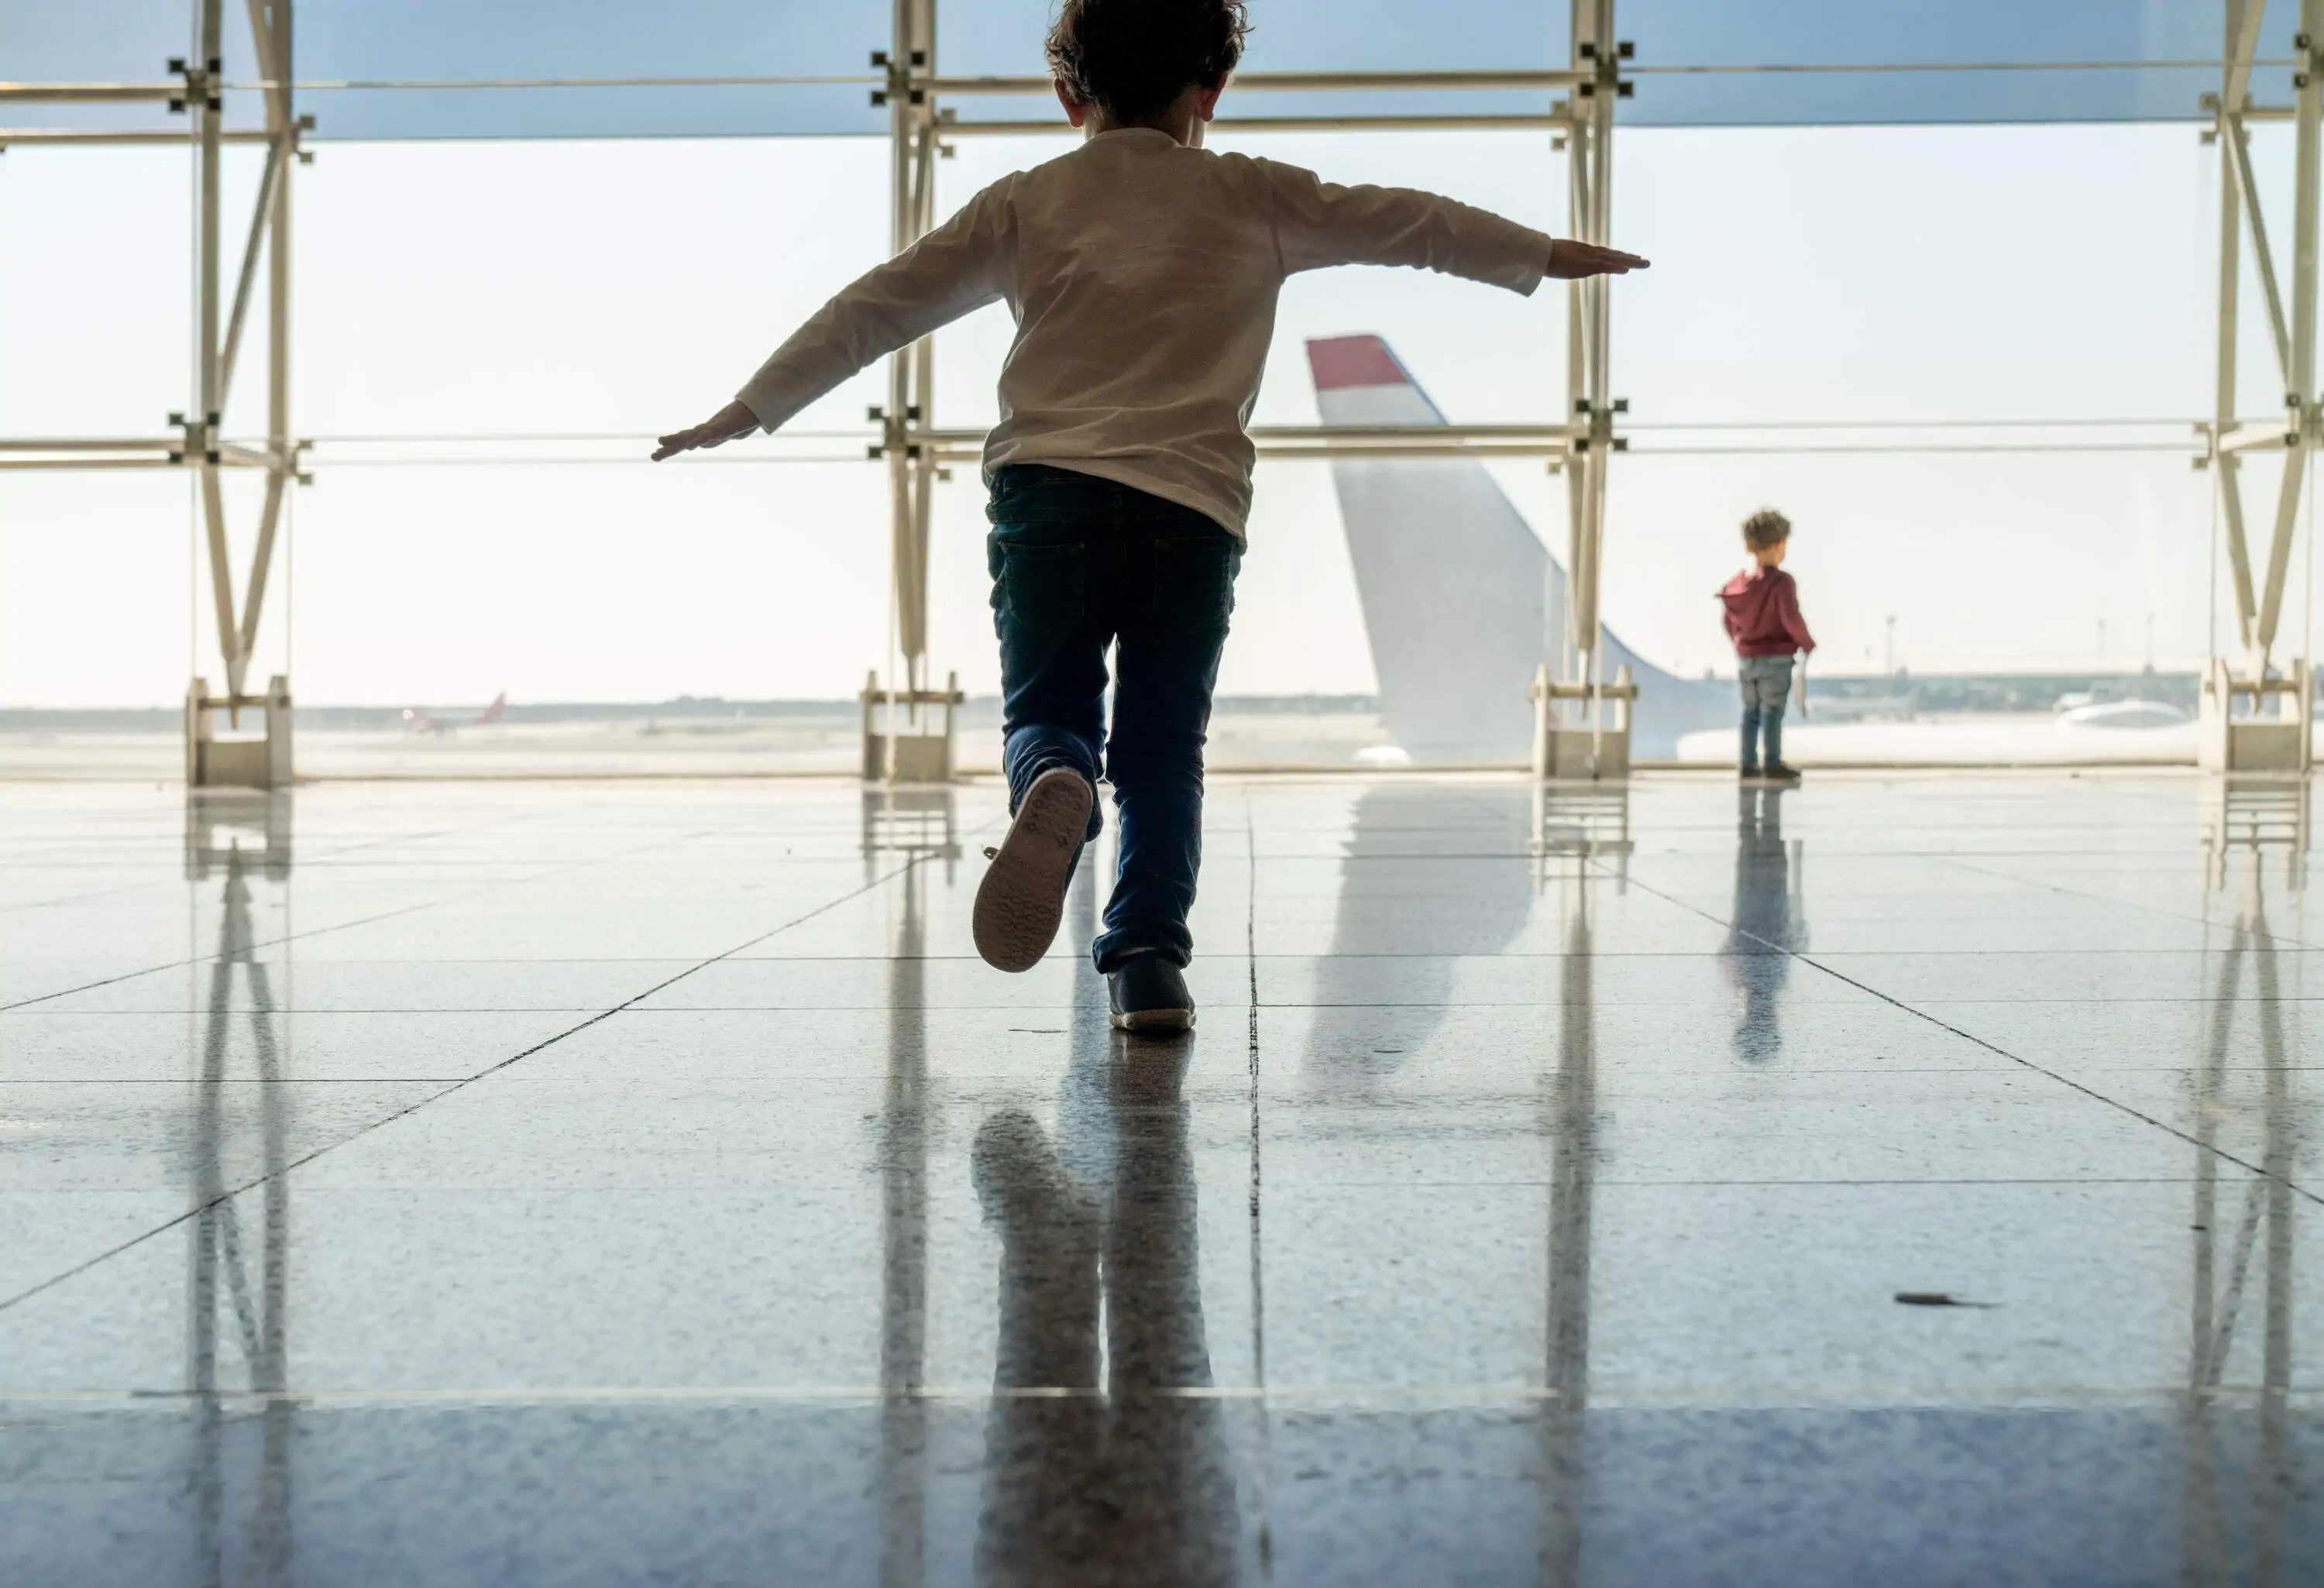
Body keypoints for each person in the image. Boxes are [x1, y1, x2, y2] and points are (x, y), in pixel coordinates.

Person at [652, 0, 1648, 1033]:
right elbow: (1413, 224)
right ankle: (1148, 963)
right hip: (1191, 511)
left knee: (1050, 712)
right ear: (1211, 90)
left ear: (1067, 93)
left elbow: (876, 307)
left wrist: (750, 406)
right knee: (1166, 747)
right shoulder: (1255, 195)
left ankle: (1058, 778)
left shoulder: (1027, 202)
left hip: (1049, 494)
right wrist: (1543, 252)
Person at [1718, 509, 1814, 782]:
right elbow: (1791, 618)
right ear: (1780, 544)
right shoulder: (1782, 583)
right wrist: (1807, 643)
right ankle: (1772, 762)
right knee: (1772, 711)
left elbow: (1728, 622)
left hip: (1746, 660)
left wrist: (1740, 644)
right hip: (1777, 659)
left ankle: (1747, 765)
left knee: (1750, 712)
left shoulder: (1737, 585)